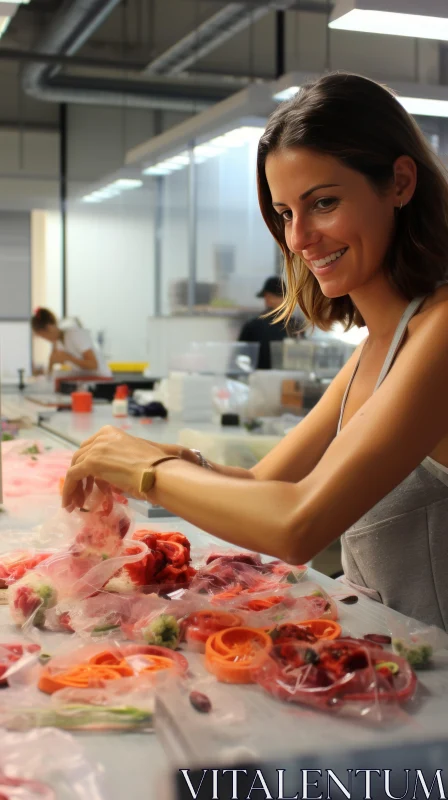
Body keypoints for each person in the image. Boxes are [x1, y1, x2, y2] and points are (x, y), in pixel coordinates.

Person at [62, 72, 448, 631]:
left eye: (324, 202)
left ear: (400, 183)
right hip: (403, 682)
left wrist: (146, 468)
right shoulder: (377, 349)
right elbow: (268, 485)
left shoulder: (440, 331)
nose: (298, 239)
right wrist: (161, 457)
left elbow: (296, 523)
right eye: (286, 213)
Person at [31, 308, 111, 378]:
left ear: (50, 327)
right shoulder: (58, 343)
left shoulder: (75, 334)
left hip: (101, 380)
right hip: (84, 380)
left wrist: (69, 358)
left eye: (44, 336)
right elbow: (51, 366)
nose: (46, 339)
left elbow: (93, 365)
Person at [238, 276, 289, 369]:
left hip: (259, 379)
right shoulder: (296, 325)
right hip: (291, 380)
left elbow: (239, 361)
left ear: (268, 297)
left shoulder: (253, 326)